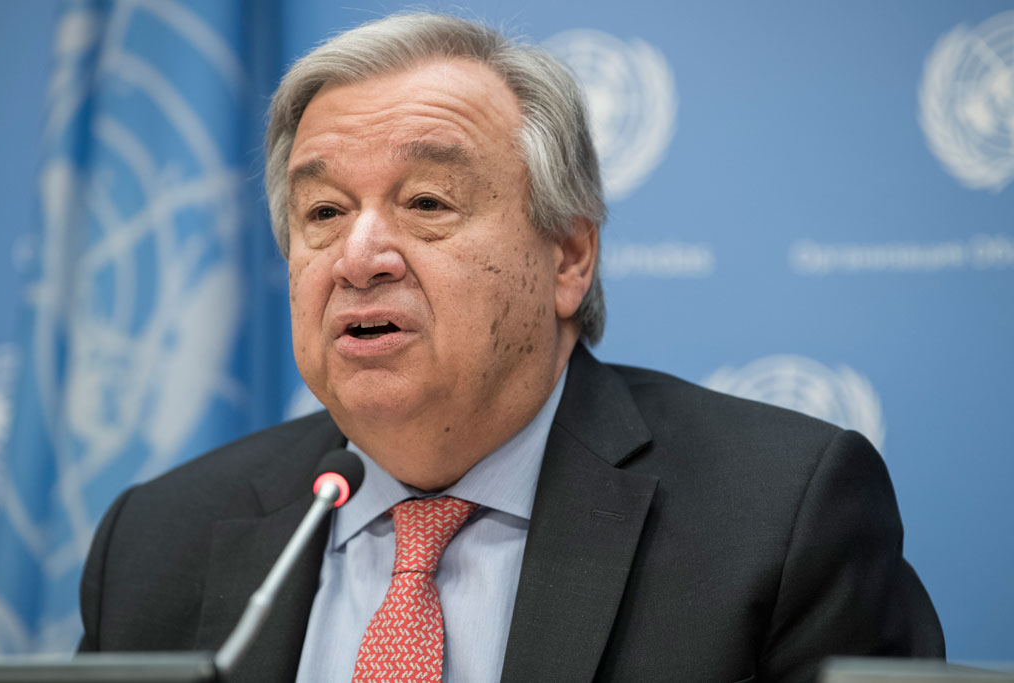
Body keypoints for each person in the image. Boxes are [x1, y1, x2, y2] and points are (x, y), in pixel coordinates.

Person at [78, 12, 944, 682]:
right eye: (323, 213)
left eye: (426, 202)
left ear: (568, 255)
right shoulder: (158, 541)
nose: (357, 257)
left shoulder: (780, 517)